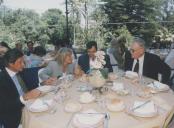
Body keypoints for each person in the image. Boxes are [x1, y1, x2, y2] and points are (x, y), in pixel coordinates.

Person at [0, 49, 41, 128]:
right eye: (20, 62)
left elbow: (28, 87)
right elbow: (4, 106)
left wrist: (42, 83)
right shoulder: (2, 80)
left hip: (30, 105)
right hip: (15, 115)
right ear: (11, 64)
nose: (23, 65)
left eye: (23, 61)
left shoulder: (19, 71)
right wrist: (23, 98)